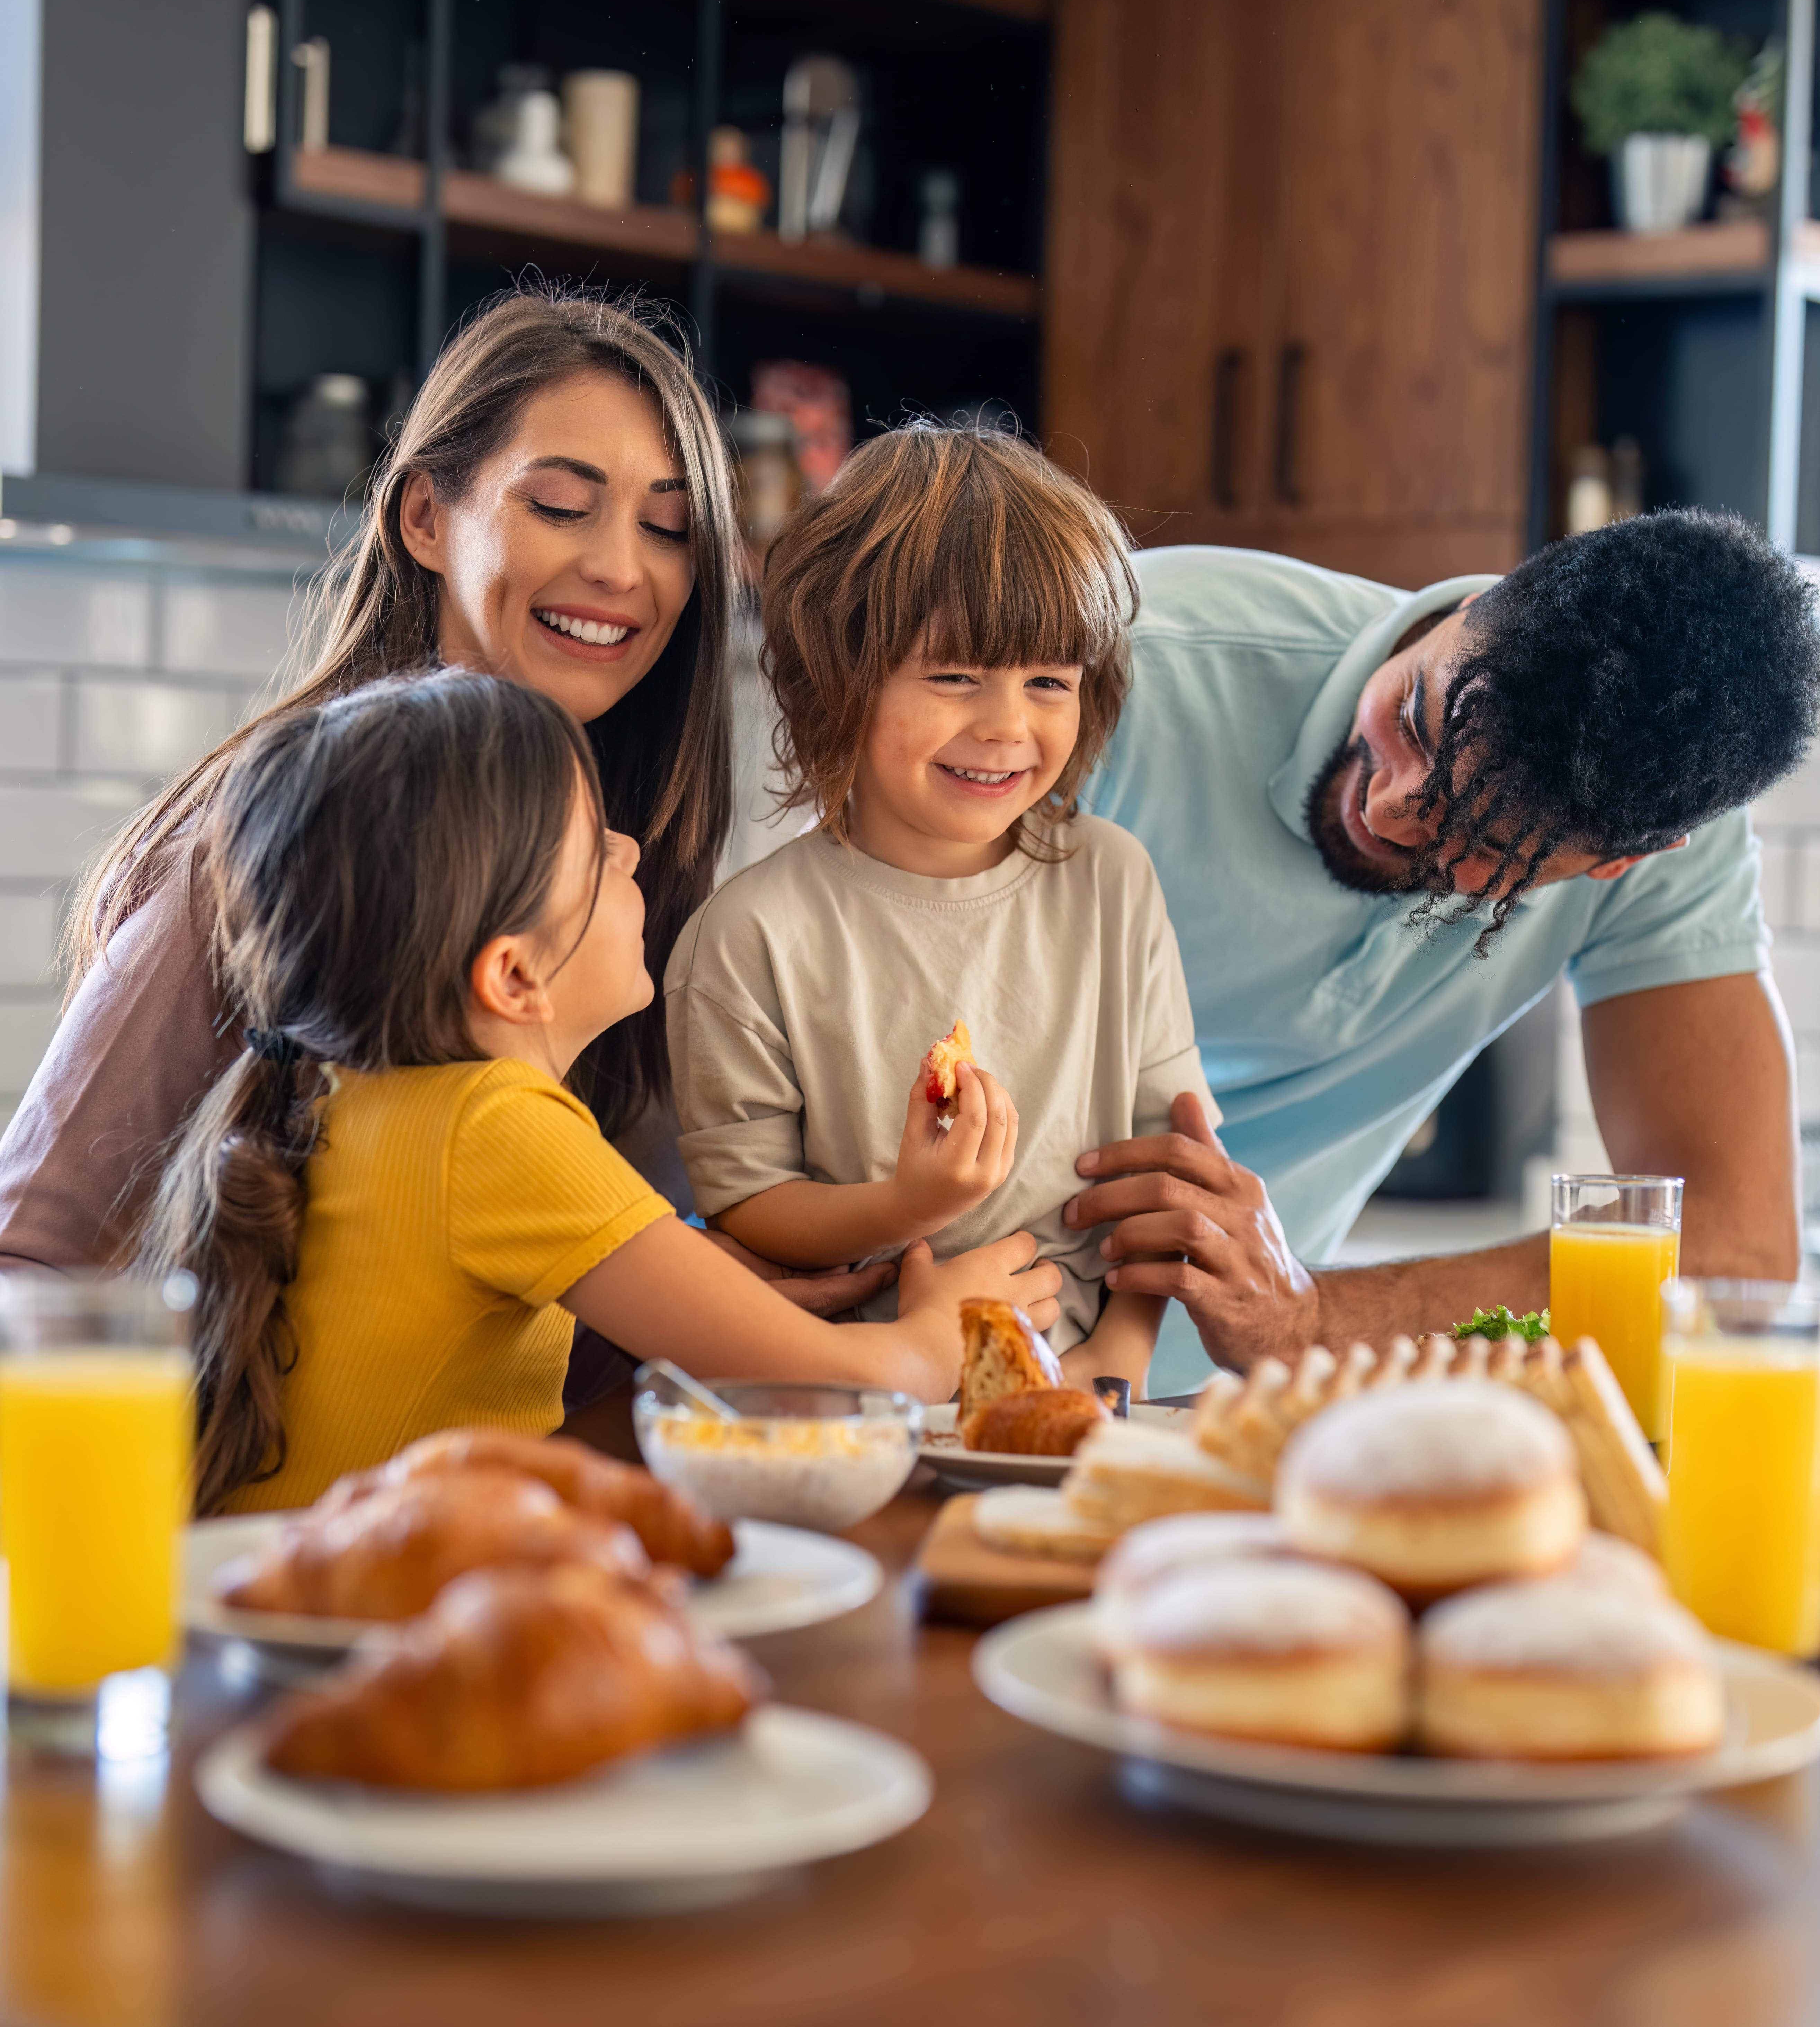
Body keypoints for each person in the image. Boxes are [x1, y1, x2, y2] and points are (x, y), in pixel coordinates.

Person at [0, 288, 893, 1349]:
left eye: (668, 528)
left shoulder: (623, 873)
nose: (621, 568)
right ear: (426, 517)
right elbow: (31, 1263)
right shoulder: (280, 842)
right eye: (561, 506)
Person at [144, 671, 1059, 1515]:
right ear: (513, 978)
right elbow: (821, 1384)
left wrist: (696, 1284)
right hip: (389, 1626)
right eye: (596, 856)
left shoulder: (351, 1095)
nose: (629, 851)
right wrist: (952, 1327)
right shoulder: (495, 1125)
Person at [1066, 512, 1820, 1391]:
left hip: (1237, 1398)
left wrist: (1307, 1319)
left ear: (1617, 865)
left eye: (1482, 844)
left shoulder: (1651, 818)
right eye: (1416, 718)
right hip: (926, 1350)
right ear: (1479, 604)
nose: (1390, 808)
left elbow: (1734, 1257)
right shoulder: (1127, 661)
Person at [663, 421, 1213, 1397]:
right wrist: (903, 1205)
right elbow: (749, 1203)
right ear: (838, 679)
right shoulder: (749, 937)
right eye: (955, 676)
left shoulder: (1112, 882)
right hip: (853, 1406)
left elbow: (1169, 1169)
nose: (1006, 726)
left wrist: (1115, 1364)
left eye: (1050, 681)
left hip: (1082, 1391)